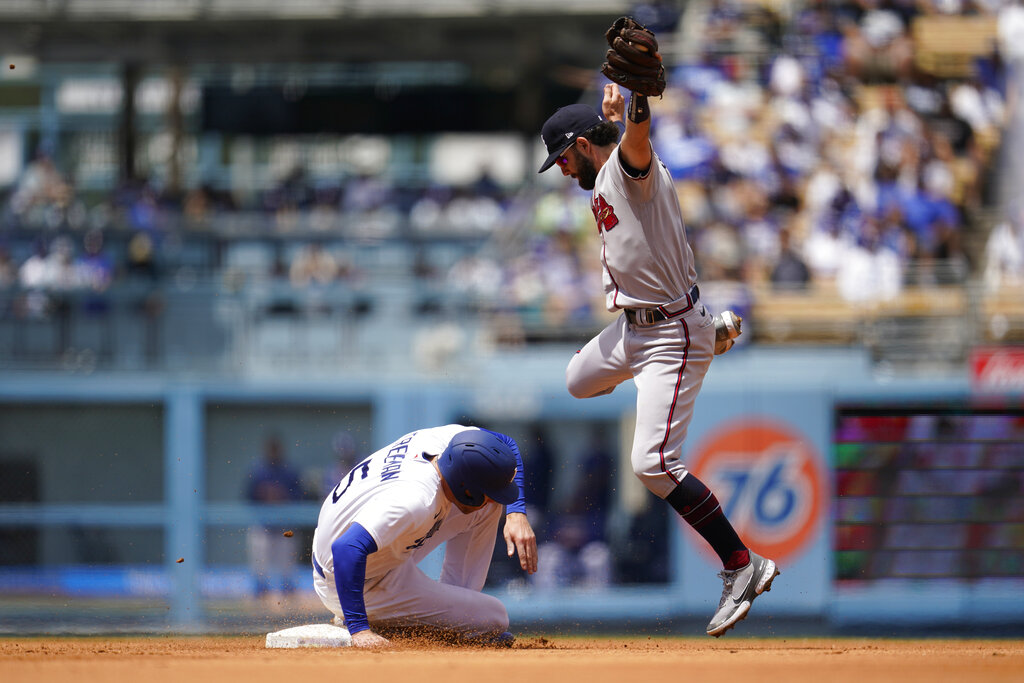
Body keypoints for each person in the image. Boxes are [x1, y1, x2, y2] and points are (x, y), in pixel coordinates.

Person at [537, 77, 778, 637]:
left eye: (564, 159)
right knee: (576, 379)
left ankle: (742, 564)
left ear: (582, 142)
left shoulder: (624, 166)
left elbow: (638, 139)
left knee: (651, 466)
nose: (563, 171)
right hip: (634, 330)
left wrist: (637, 100)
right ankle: (707, 334)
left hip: (667, 333)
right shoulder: (607, 179)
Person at [310, 424, 537, 648]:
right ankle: (365, 616)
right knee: (494, 617)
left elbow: (505, 444)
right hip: (354, 579)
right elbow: (346, 549)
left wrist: (516, 511)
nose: (494, 498)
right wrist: (359, 629)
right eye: (484, 494)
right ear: (467, 491)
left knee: (489, 507)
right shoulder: (416, 502)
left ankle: (456, 619)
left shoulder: (449, 442)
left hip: (370, 541)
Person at [246, 434, 303, 600]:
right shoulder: (258, 471)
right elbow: (248, 497)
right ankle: (259, 604)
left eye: (276, 449)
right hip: (263, 526)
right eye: (271, 449)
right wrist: (265, 496)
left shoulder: (289, 471)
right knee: (259, 570)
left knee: (287, 571)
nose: (274, 452)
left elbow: (300, 496)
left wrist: (283, 497)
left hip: (285, 527)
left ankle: (289, 607)